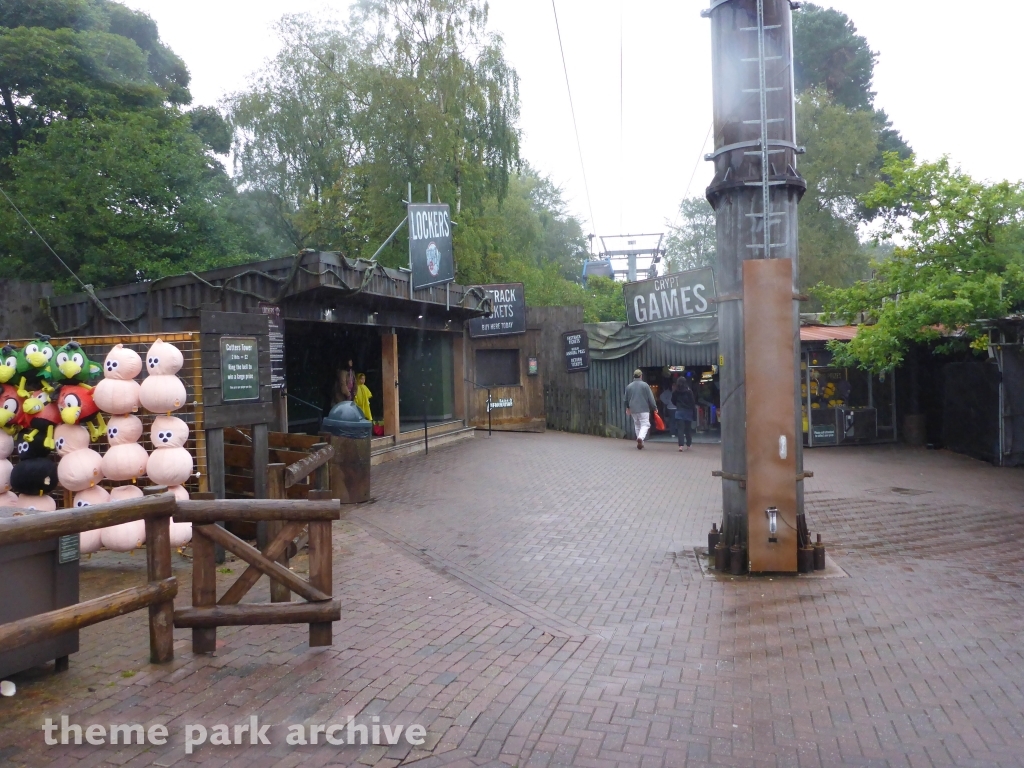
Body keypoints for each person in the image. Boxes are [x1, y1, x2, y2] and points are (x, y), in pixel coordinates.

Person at [624, 369, 658, 450]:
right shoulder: (645, 385)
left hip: (633, 409)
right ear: (641, 376)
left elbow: (625, 399)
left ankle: (641, 442)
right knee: (645, 424)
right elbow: (651, 397)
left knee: (637, 424)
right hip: (644, 409)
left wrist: (628, 408)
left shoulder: (629, 386)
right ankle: (640, 438)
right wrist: (654, 407)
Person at [672, 379, 696, 451]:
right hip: (688, 412)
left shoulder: (675, 392)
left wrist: (678, 405)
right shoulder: (689, 391)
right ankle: (688, 445)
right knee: (688, 429)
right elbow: (692, 402)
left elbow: (673, 400)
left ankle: (680, 446)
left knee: (680, 430)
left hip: (679, 411)